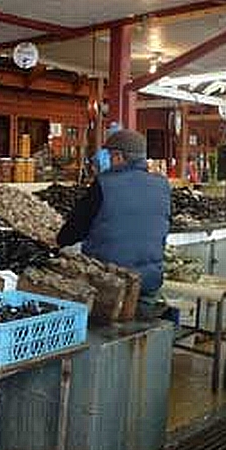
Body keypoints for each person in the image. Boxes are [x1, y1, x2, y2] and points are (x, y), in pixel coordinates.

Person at [57, 129, 171, 317]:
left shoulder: (104, 184)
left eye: (109, 156)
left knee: (101, 331)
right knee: (141, 325)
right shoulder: (162, 185)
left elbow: (72, 231)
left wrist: (61, 241)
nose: (108, 161)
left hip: (108, 281)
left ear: (118, 157)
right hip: (149, 281)